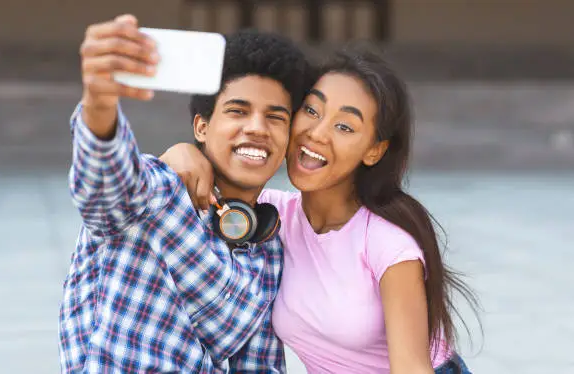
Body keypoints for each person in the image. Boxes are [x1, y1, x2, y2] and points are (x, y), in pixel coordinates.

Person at [161, 44, 479, 373]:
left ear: (374, 150)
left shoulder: (388, 244)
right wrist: (183, 152)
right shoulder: (269, 216)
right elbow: (205, 185)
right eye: (311, 111)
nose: (317, 134)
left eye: (344, 127)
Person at [58, 14, 312, 372]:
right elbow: (104, 184)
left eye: (275, 117)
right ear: (202, 126)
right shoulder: (158, 192)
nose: (257, 128)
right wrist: (99, 106)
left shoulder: (269, 246)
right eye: (238, 111)